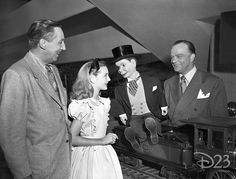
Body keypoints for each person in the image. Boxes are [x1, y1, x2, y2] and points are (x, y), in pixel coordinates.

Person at [0, 19, 71, 179]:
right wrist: (24, 175)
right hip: (39, 171)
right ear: (43, 43)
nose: (64, 47)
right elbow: (11, 136)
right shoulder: (16, 75)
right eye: (60, 42)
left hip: (61, 165)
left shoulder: (53, 70)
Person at [68, 59, 123, 179]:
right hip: (88, 157)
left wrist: (107, 137)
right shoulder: (83, 106)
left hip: (104, 153)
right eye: (105, 75)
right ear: (93, 78)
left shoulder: (103, 103)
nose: (109, 79)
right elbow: (72, 138)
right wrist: (101, 141)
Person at [112, 45, 168, 153]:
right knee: (135, 126)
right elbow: (119, 103)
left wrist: (163, 105)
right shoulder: (119, 89)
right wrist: (122, 114)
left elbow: (159, 94)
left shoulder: (152, 81)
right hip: (134, 115)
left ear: (133, 63)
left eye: (123, 65)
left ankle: (153, 133)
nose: (120, 70)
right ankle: (136, 141)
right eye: (118, 67)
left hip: (150, 113)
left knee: (151, 121)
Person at [164, 40, 228, 127]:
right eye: (172, 57)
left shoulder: (213, 83)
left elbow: (220, 121)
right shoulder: (168, 83)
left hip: (200, 137)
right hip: (174, 137)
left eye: (179, 56)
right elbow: (164, 117)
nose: (173, 61)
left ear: (192, 57)